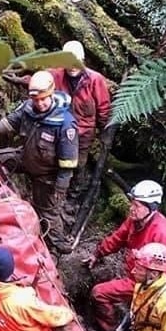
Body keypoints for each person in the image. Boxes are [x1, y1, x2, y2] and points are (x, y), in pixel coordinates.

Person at [0, 70, 79, 254]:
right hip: (25, 157)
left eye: (44, 99)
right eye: (36, 100)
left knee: (48, 211)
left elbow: (68, 163)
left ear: (51, 94)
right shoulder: (28, 109)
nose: (40, 103)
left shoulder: (65, 124)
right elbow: (8, 124)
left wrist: (60, 189)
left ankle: (59, 244)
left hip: (47, 174)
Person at [84, 180, 166, 331]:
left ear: (151, 207)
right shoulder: (134, 221)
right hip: (134, 275)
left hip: (146, 284)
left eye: (136, 206)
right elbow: (118, 237)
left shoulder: (164, 234)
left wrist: (146, 294)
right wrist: (98, 253)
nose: (132, 209)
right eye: (132, 204)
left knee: (99, 293)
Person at [51, 41, 113, 207]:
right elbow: (39, 84)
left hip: (83, 133)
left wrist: (104, 131)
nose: (72, 66)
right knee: (57, 161)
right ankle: (56, 194)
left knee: (78, 164)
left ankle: (73, 196)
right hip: (59, 130)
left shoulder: (95, 80)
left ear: (83, 60)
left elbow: (103, 107)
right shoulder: (55, 75)